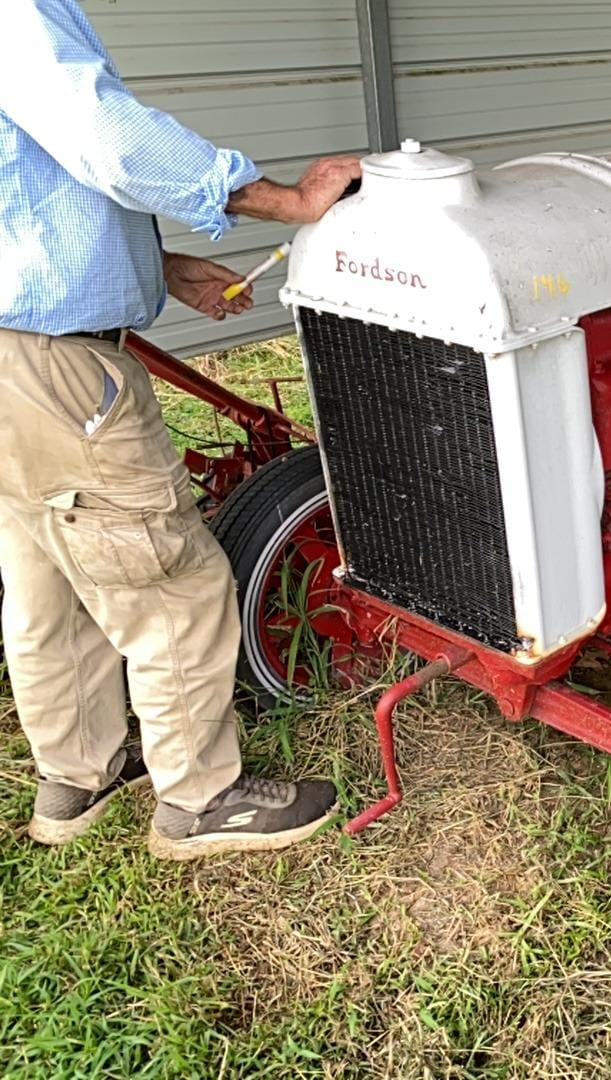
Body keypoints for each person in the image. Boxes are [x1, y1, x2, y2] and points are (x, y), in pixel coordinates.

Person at [1, 0, 360, 859]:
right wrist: (286, 200)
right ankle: (201, 797)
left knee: (48, 568)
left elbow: (27, 199)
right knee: (168, 579)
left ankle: (77, 775)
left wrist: (153, 268)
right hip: (54, 366)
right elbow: (109, 140)